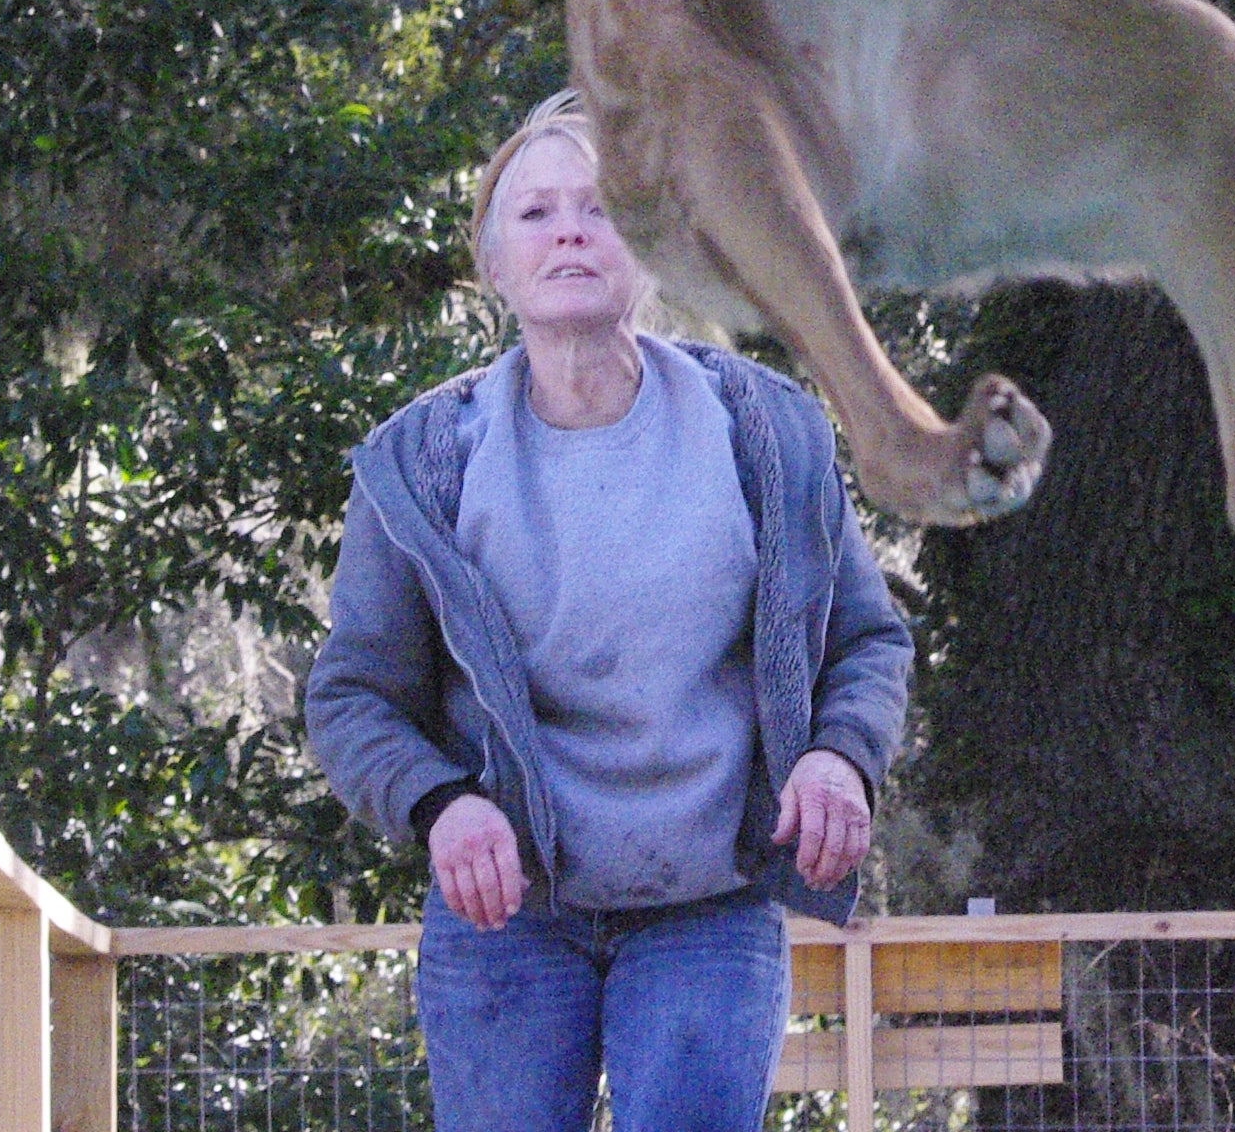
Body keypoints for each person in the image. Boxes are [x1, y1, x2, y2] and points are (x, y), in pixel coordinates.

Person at [305, 91, 911, 1132]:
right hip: (508, 912)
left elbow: (866, 638)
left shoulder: (764, 429)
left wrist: (837, 755)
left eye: (603, 207)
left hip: (710, 899)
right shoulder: (425, 459)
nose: (572, 229)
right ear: (495, 264)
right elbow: (353, 692)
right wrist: (443, 803)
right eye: (536, 212)